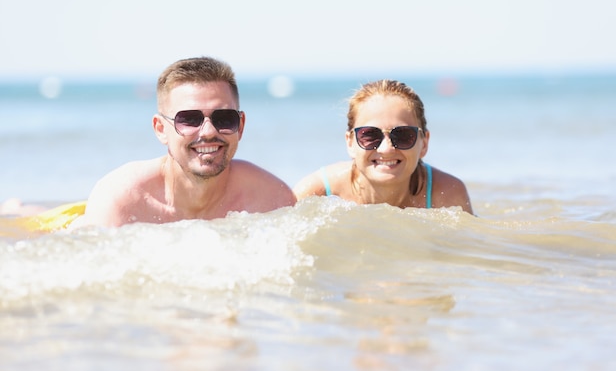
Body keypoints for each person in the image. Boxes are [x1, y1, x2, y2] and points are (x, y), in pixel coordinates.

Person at [62, 56, 295, 229]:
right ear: (161, 129)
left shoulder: (272, 201)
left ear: (240, 126)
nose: (208, 131)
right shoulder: (123, 200)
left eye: (224, 118)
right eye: (190, 119)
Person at [293, 79, 473, 214]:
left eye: (403, 135)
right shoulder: (317, 192)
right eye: (370, 135)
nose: (386, 149)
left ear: (424, 143)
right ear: (350, 143)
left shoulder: (447, 196)